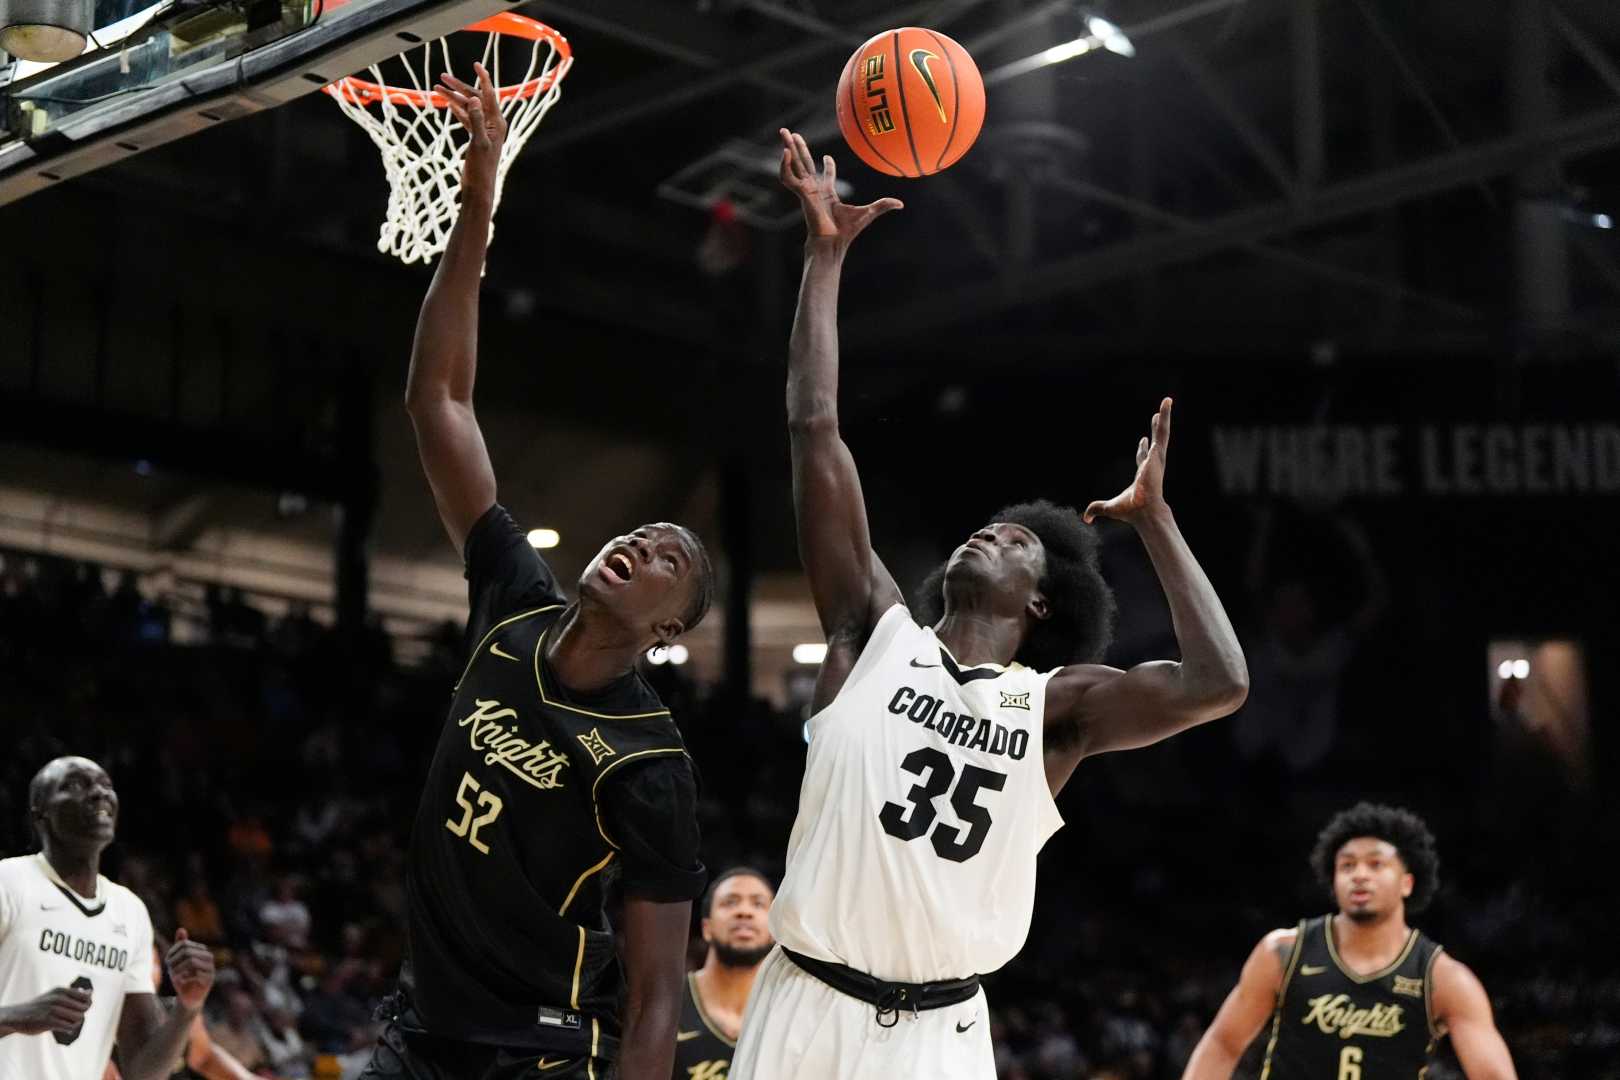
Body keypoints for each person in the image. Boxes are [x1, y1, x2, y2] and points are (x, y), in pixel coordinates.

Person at [730, 130, 1250, 1080]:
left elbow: (1218, 684)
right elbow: (814, 430)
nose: (990, 534)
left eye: (1018, 543)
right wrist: (823, 258)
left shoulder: (1056, 707)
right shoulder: (871, 633)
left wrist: (1158, 523)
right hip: (805, 1002)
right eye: (991, 527)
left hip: (942, 1034)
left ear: (1043, 604)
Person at [357, 65, 716, 1080]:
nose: (641, 545)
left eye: (668, 559)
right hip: (418, 1024)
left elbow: (655, 1006)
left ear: (669, 630)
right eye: (642, 533)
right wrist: (478, 204)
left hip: (535, 1051)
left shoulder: (650, 767)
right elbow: (440, 401)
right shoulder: (516, 601)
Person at [1181, 803, 1518, 1079]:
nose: (1359, 874)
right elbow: (1223, 1044)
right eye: (1347, 866)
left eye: (1376, 864)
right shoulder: (1283, 952)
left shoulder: (1443, 978)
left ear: (1407, 883)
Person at [0, 756, 216, 1080]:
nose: (99, 793)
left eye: (106, 786)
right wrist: (14, 1017)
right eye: (76, 785)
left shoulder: (129, 911)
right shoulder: (9, 882)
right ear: (39, 812)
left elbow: (143, 1071)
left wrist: (189, 1006)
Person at [672, 869, 774, 1080]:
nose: (745, 912)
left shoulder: (791, 1009)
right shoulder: (668, 1003)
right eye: (730, 902)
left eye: (758, 904)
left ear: (775, 930)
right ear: (706, 928)